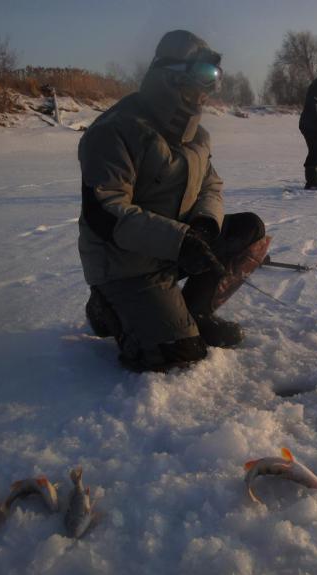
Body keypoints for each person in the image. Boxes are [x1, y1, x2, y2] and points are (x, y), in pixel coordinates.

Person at [77, 30, 268, 372]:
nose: (208, 93)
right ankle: (107, 306)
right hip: (123, 263)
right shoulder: (115, 131)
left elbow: (211, 184)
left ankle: (195, 312)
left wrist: (205, 225)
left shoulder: (198, 137)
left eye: (214, 82)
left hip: (175, 247)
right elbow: (107, 212)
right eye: (202, 80)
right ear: (171, 77)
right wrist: (181, 242)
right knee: (179, 354)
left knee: (250, 230)